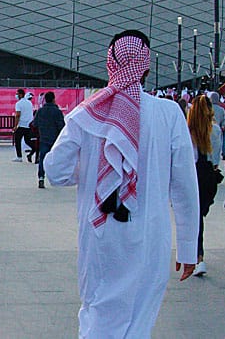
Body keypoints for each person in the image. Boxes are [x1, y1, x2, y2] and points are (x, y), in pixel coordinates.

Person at [42, 30, 199, 338]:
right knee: (140, 320)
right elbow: (184, 187)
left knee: (96, 314)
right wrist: (189, 248)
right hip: (150, 234)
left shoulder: (86, 113)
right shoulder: (169, 114)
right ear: (147, 67)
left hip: (99, 234)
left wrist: (91, 171)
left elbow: (55, 171)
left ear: (109, 64)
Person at [187, 94, 223, 276]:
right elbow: (216, 160)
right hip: (209, 177)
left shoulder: (187, 132)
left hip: (193, 175)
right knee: (199, 215)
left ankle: (198, 256)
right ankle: (197, 254)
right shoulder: (215, 130)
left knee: (195, 218)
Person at [31, 91, 65, 189]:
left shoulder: (40, 111)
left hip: (44, 138)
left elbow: (35, 124)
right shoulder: (58, 112)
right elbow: (61, 126)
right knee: (56, 159)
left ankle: (41, 177)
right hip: (55, 139)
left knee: (42, 159)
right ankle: (56, 178)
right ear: (54, 99)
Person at [12, 89, 34, 162]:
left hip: (21, 125)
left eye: (17, 94)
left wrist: (15, 126)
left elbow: (18, 115)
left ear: (21, 94)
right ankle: (36, 149)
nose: (16, 95)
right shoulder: (29, 103)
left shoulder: (18, 104)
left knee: (17, 140)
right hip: (29, 125)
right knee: (28, 140)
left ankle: (19, 156)